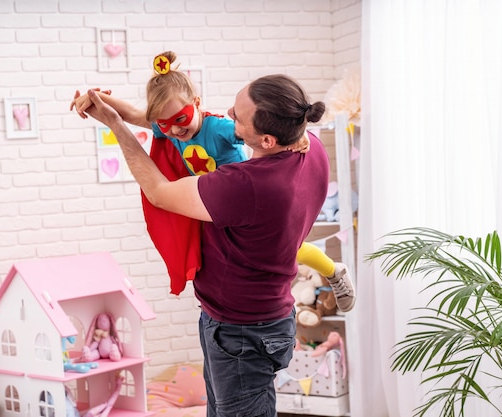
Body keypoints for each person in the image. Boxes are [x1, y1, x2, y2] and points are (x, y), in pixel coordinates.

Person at [79, 72, 341, 416]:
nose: (228, 113)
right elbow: (158, 118)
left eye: (238, 115)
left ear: (266, 140)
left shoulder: (247, 185)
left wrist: (114, 125)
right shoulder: (312, 148)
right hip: (262, 317)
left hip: (241, 331)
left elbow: (159, 193)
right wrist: (116, 107)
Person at [70, 51, 356, 312]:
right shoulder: (171, 127)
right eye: (164, 123)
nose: (173, 129)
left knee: (292, 249)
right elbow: (134, 114)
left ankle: (333, 270)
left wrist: (296, 135)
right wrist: (97, 98)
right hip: (213, 201)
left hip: (239, 201)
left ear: (196, 103)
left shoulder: (218, 128)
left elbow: (261, 134)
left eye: (181, 118)